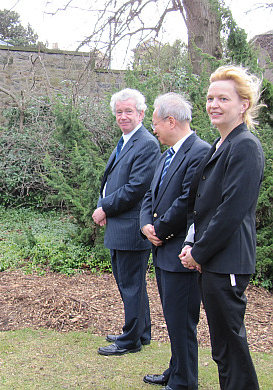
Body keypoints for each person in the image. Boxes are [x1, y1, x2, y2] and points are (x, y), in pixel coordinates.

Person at [179, 65, 264, 390]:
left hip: (226, 261)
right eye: (210, 98)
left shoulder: (245, 146)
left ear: (243, 104)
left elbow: (230, 211)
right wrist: (192, 242)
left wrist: (199, 252)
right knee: (224, 348)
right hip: (214, 260)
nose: (213, 104)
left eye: (223, 98)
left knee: (230, 348)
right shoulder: (221, 144)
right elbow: (202, 204)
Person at [140, 93, 210, 390]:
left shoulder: (200, 152)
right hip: (162, 249)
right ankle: (175, 370)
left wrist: (160, 230)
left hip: (181, 251)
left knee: (182, 322)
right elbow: (149, 194)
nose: (153, 129)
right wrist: (146, 224)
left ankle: (184, 382)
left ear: (171, 121)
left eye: (155, 123)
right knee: (173, 318)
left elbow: (188, 202)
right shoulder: (165, 154)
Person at [92, 88, 160, 356]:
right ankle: (140, 332)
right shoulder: (126, 141)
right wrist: (104, 203)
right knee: (131, 283)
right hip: (120, 224)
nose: (123, 116)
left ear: (141, 113)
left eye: (128, 111)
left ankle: (130, 339)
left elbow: (136, 189)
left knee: (130, 284)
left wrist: (104, 207)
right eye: (119, 112)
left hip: (131, 227)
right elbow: (111, 180)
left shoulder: (145, 143)